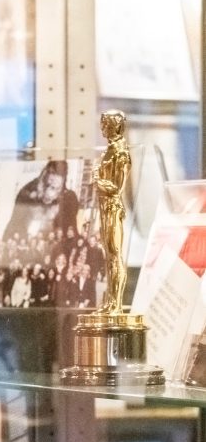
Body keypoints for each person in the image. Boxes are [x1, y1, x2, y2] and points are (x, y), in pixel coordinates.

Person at [93, 109, 131, 315]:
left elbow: (117, 187)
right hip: (104, 208)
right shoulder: (107, 152)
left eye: (106, 123)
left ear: (116, 126)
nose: (103, 127)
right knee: (108, 256)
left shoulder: (121, 153)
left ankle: (116, 303)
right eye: (102, 123)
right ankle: (110, 302)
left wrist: (98, 181)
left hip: (113, 208)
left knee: (115, 255)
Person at [2, 159, 80, 249]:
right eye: (47, 185)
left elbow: (72, 237)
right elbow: (12, 228)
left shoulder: (69, 199)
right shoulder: (26, 194)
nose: (49, 192)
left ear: (62, 187)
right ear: (43, 176)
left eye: (55, 188)